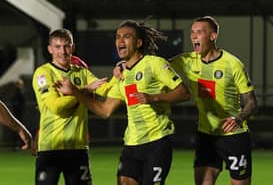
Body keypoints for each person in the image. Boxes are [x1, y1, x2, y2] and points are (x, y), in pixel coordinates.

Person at [55, 20, 191, 185]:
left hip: (157, 142)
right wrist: (76, 92)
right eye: (118, 36)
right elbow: (104, 110)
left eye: (126, 37)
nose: (120, 40)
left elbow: (183, 93)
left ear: (139, 42)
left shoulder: (154, 64)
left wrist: (152, 97)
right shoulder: (122, 75)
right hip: (131, 145)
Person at [169, 16, 258, 185]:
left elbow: (252, 102)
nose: (194, 36)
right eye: (192, 32)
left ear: (212, 36)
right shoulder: (186, 61)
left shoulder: (232, 64)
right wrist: (126, 65)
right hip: (206, 136)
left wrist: (238, 118)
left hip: (234, 136)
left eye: (199, 32)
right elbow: (158, 67)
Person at [32, 28, 113, 185]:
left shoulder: (81, 72)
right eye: (57, 47)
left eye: (66, 46)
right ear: (50, 49)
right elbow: (56, 107)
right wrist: (84, 90)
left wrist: (121, 75)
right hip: (51, 148)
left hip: (78, 148)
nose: (62, 51)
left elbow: (106, 89)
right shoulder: (43, 73)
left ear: (73, 47)